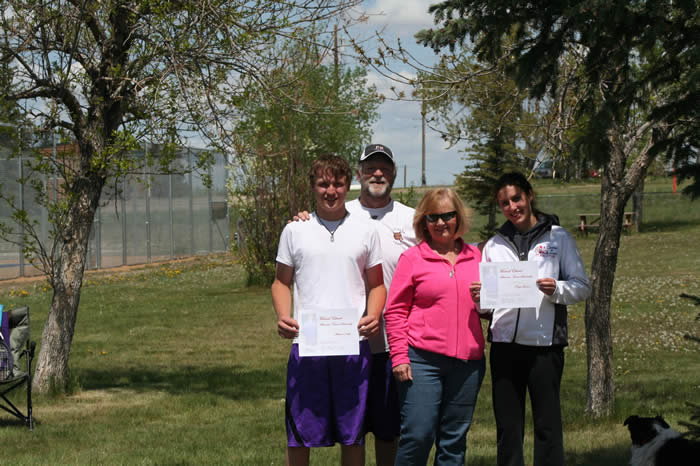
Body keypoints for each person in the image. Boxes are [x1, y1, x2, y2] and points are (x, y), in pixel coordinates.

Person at [295, 143, 417, 466]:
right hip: (343, 345)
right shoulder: (338, 212)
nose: (378, 173)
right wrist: (303, 218)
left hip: (393, 341)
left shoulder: (411, 218)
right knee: (352, 429)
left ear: (393, 172)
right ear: (359, 174)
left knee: (388, 429)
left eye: (384, 168)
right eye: (371, 167)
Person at [271, 153, 387, 466]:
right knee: (299, 434)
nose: (331, 191)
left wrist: (374, 315)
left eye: (337, 184)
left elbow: (377, 284)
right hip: (307, 347)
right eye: (324, 184)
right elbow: (281, 282)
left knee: (353, 435)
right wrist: (283, 316)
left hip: (352, 347)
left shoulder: (366, 229)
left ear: (349, 185)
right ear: (313, 187)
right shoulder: (294, 231)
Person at [469, 172, 591, 466]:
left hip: (544, 345)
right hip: (504, 345)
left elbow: (582, 286)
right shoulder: (494, 245)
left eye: (516, 198)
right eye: (504, 203)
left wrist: (557, 289)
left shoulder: (558, 237)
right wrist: (481, 299)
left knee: (547, 426)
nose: (512, 207)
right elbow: (488, 307)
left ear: (529, 195)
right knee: (508, 428)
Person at [384, 187, 486, 466]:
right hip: (422, 360)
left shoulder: (477, 257)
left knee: (453, 441)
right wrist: (399, 357)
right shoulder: (412, 259)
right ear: (423, 222)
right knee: (418, 435)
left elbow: (490, 309)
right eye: (433, 217)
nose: (441, 223)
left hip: (468, 364)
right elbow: (394, 311)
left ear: (459, 217)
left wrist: (485, 301)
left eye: (448, 216)